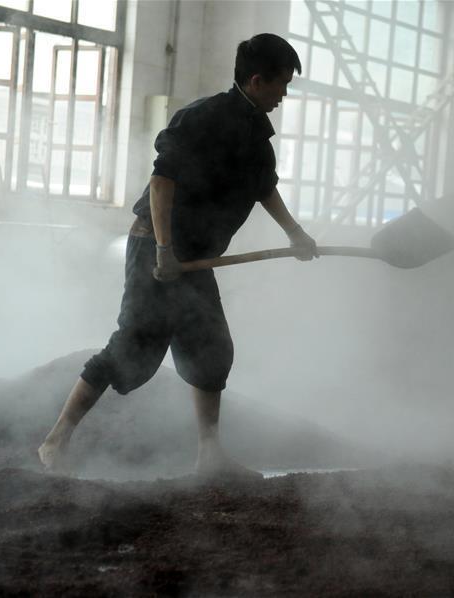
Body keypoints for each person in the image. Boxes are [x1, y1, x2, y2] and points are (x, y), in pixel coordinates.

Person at [38, 34, 317, 476]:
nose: (285, 94)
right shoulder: (203, 119)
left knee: (212, 350)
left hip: (197, 257)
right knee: (134, 345)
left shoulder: (257, 137)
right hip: (157, 244)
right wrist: (165, 250)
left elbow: (264, 188)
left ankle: (209, 456)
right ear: (258, 80)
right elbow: (162, 182)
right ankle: (55, 441)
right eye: (282, 84)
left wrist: (297, 234)